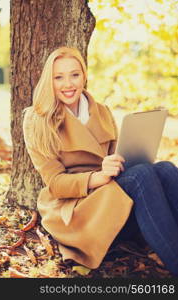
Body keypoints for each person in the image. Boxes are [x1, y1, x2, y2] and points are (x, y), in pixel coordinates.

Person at [23, 46, 178, 277]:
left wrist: (128, 159)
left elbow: (120, 158)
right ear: (50, 81)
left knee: (164, 169)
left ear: (84, 76)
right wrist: (99, 177)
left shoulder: (102, 111)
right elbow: (55, 184)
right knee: (142, 175)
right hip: (80, 211)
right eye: (59, 77)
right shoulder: (37, 120)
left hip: (113, 199)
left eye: (74, 75)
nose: (68, 84)